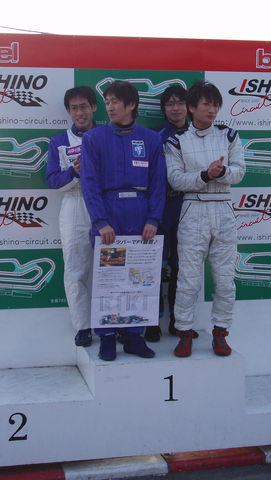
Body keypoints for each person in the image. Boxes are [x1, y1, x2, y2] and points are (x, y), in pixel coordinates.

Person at [81, 80, 166, 361]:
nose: (110, 107)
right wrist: (100, 221)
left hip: (141, 212)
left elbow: (158, 183)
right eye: (107, 102)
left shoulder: (151, 140)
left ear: (131, 105)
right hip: (109, 212)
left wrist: (153, 218)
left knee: (139, 278)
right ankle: (106, 336)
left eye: (115, 101)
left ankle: (133, 336)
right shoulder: (93, 139)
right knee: (109, 277)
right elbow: (89, 183)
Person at [165, 81, 245, 358]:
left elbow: (240, 172)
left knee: (225, 280)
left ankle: (220, 333)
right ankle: (184, 333)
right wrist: (204, 175)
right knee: (188, 280)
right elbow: (175, 179)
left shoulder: (229, 135)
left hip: (223, 208)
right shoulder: (176, 140)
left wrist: (221, 173)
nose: (212, 110)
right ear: (191, 107)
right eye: (206, 104)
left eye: (216, 105)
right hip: (192, 209)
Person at [46, 86, 97, 348]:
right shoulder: (59, 141)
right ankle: (83, 327)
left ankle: (112, 324)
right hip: (74, 203)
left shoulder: (107, 136)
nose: (80, 112)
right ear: (68, 111)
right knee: (75, 269)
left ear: (94, 108)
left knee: (110, 267)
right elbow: (53, 181)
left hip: (105, 204)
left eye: (84, 106)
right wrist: (75, 172)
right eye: (74, 108)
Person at [144, 85, 189, 343]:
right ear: (163, 108)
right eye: (170, 103)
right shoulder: (155, 136)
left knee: (182, 268)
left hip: (189, 208)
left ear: (188, 106)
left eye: (180, 103)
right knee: (155, 267)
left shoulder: (199, 135)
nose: (175, 108)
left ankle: (178, 321)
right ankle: (151, 322)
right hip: (160, 208)